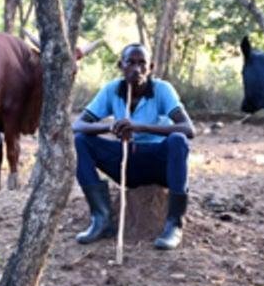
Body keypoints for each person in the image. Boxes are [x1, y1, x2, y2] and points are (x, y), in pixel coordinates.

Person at [73, 44, 196, 250]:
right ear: (121, 65)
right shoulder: (112, 90)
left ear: (151, 67)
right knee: (82, 141)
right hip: (125, 162)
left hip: (158, 163)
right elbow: (78, 125)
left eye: (142, 63)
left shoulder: (162, 89)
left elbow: (188, 128)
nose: (136, 69)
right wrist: (111, 127)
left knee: (178, 140)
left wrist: (139, 127)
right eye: (130, 62)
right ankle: (101, 218)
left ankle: (174, 224)